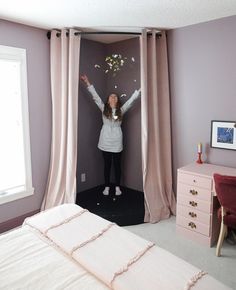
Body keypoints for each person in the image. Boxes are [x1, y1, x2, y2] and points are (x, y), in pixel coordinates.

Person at [80, 75, 141, 196]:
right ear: (108, 100)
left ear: (117, 101)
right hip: (105, 141)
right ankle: (107, 186)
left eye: (115, 97)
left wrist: (139, 91)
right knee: (107, 166)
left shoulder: (121, 111)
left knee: (117, 165)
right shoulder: (103, 109)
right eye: (111, 96)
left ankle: (117, 187)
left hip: (117, 141)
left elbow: (131, 101)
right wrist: (87, 82)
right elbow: (95, 96)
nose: (113, 98)